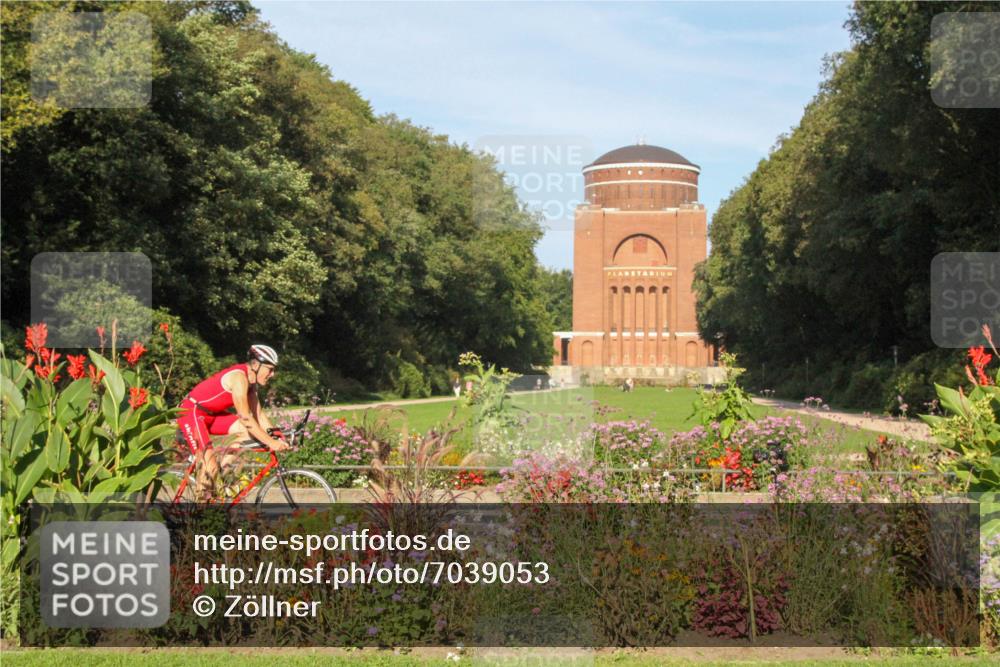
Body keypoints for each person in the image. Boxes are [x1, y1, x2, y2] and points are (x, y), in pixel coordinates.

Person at [177, 344, 289, 501]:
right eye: (270, 369)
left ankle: (220, 473)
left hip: (211, 415)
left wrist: (277, 435)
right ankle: (201, 508)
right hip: (192, 413)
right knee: (209, 465)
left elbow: (258, 414)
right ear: (256, 365)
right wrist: (271, 442)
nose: (272, 374)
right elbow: (246, 417)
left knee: (246, 433)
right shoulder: (239, 378)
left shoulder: (252, 383)